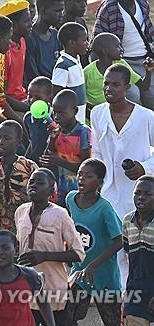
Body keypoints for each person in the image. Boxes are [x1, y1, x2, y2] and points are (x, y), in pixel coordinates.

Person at [90, 64, 154, 289]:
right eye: (106, 83)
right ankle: (121, 297)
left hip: (140, 195)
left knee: (138, 249)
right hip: (109, 193)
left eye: (115, 84)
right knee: (113, 247)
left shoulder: (146, 116)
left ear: (127, 87)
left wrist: (144, 168)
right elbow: (96, 151)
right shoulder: (97, 113)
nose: (109, 88)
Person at [15, 168, 85, 325]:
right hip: (26, 290)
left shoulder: (60, 215)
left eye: (40, 183)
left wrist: (44, 256)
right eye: (31, 182)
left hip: (53, 290)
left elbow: (78, 254)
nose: (33, 185)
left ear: (51, 189)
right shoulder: (21, 212)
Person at [64, 159, 122, 325]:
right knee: (66, 316)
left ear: (100, 182)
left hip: (104, 276)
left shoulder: (104, 208)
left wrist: (94, 266)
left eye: (88, 176)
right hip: (80, 272)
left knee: (112, 321)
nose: (81, 179)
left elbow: (119, 241)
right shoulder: (70, 199)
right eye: (80, 174)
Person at [93, 0, 154, 108]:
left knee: (151, 96)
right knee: (133, 96)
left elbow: (149, 33)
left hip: (144, 60)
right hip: (122, 62)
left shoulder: (142, 4)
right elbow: (98, 40)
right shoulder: (109, 8)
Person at [40, 89, 91, 206]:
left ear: (75, 111)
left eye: (62, 113)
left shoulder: (83, 132)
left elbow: (87, 167)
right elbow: (45, 160)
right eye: (55, 112)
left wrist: (60, 162)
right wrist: (52, 138)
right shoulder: (57, 130)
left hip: (81, 191)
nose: (57, 117)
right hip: (60, 190)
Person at [0, 120, 38, 236]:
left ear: (18, 142)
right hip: (4, 223)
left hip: (27, 221)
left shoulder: (28, 166)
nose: (0, 142)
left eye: (6, 138)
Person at [84, 32, 154, 107]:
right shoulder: (88, 72)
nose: (122, 49)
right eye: (117, 46)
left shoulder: (121, 64)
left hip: (116, 111)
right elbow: (81, 97)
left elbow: (143, 86)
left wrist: (148, 71)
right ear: (105, 51)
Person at [122, 176, 154, 325]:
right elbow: (131, 261)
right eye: (137, 193)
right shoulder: (127, 221)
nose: (141, 197)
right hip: (136, 295)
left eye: (148, 194)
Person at [0, 0, 33, 113]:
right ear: (13, 25)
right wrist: (28, 108)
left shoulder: (22, 41)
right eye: (26, 21)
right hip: (11, 104)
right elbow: (2, 95)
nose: (31, 24)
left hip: (23, 97)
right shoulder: (4, 53)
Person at [52, 22, 88, 123]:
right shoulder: (63, 65)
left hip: (79, 114)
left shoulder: (76, 59)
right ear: (72, 43)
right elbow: (56, 93)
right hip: (69, 119)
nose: (87, 43)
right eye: (84, 40)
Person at [25, 0, 64, 82]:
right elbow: (33, 76)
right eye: (57, 11)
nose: (61, 15)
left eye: (62, 10)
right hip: (42, 89)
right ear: (43, 11)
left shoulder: (56, 35)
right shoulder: (29, 38)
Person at [24, 77, 54, 165]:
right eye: (30, 95)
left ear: (50, 97)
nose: (32, 100)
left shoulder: (55, 117)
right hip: (35, 163)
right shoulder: (28, 118)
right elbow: (32, 141)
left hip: (50, 163)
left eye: (38, 97)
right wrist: (26, 160)